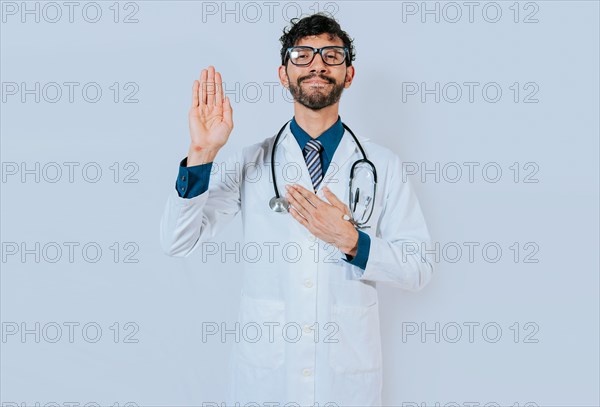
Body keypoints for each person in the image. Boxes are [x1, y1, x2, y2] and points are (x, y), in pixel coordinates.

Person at [160, 13, 434, 406]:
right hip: (267, 379)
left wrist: (354, 242)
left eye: (331, 55)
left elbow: (419, 269)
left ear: (349, 74)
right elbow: (176, 241)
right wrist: (201, 154)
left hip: (345, 383)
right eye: (302, 55)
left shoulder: (382, 165)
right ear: (283, 74)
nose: (317, 64)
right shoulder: (251, 162)